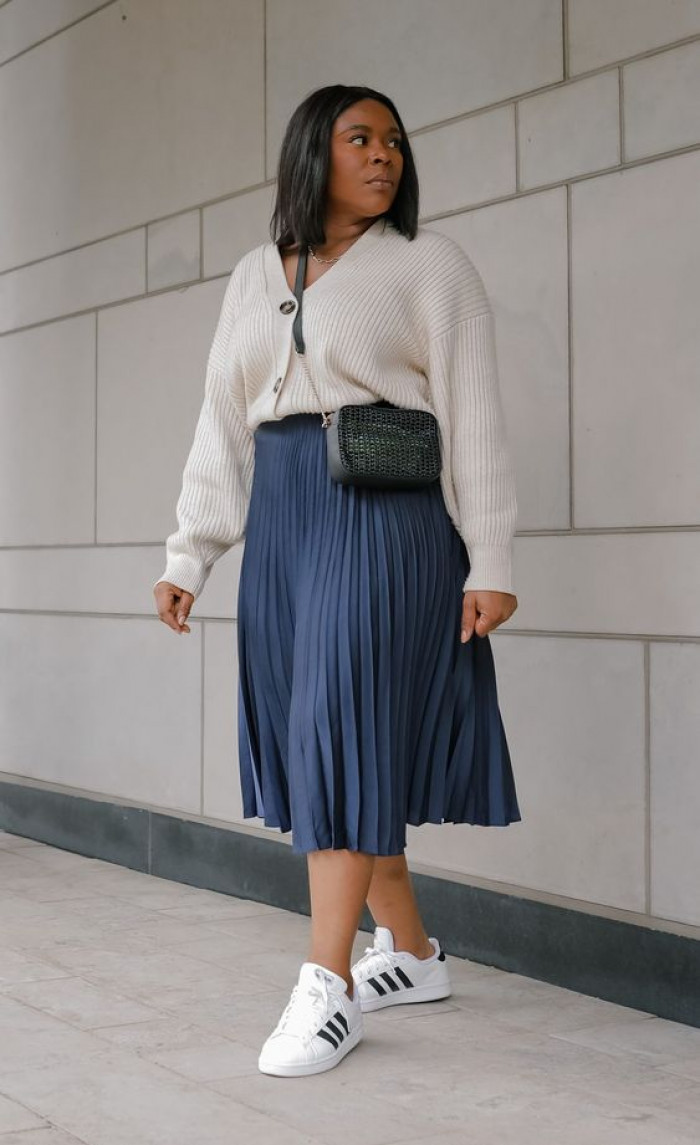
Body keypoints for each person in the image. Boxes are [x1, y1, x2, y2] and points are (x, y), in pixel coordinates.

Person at [153, 84, 521, 1079]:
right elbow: (221, 423)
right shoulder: (250, 275)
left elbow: (472, 413)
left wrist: (490, 557)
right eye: (360, 137)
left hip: (383, 518)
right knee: (324, 736)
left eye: (395, 140)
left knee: (336, 726)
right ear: (312, 151)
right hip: (282, 523)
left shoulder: (428, 263)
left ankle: (329, 982)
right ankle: (409, 950)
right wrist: (192, 551)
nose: (383, 154)